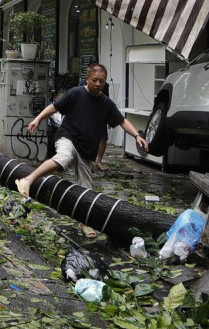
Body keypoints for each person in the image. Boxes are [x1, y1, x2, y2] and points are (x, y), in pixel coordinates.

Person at [17, 63, 148, 226]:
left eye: (102, 81)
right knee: (64, 157)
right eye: (95, 80)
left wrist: (136, 135)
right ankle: (28, 180)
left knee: (87, 191)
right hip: (68, 137)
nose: (98, 84)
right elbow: (54, 107)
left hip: (86, 150)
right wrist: (37, 120)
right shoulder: (76, 93)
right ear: (87, 79)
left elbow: (122, 121)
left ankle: (84, 224)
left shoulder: (106, 103)